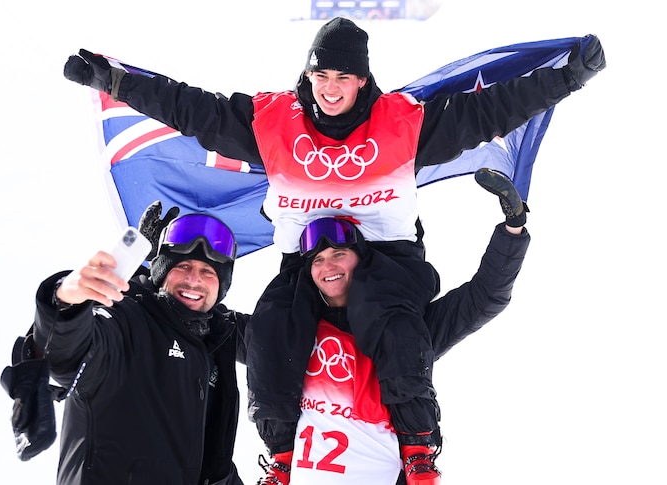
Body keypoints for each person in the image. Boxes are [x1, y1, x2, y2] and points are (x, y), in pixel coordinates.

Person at [62, 19, 605, 485]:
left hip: (385, 263)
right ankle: (280, 454)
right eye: (321, 75)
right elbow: (195, 111)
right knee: (275, 325)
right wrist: (115, 81)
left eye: (343, 76)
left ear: (362, 80)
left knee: (387, 320)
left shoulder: (403, 125)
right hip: (306, 260)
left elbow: (488, 113)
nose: (330, 87)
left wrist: (569, 78)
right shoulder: (274, 125)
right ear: (308, 76)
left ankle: (417, 446)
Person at [257, 168, 532, 485]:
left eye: (339, 254)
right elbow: (213, 329)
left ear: (361, 260)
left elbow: (486, 297)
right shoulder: (288, 333)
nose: (327, 266)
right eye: (317, 260)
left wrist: (513, 230)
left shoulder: (408, 329)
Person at [28, 209, 249, 485]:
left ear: (221, 287)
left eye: (207, 271)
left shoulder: (215, 342)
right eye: (182, 266)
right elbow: (68, 356)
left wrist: (297, 257)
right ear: (161, 273)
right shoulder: (126, 322)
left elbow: (280, 341)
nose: (194, 279)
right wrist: (65, 303)